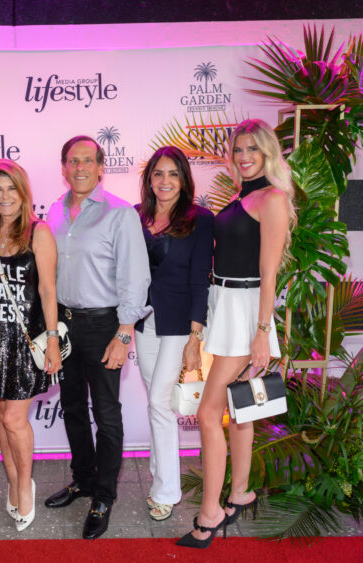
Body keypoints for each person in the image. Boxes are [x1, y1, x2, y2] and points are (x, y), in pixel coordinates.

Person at [177, 119, 297, 548]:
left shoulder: (273, 198)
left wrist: (262, 332)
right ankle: (240, 492)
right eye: (239, 150)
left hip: (248, 311)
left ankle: (210, 514)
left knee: (210, 413)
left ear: (267, 153)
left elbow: (269, 273)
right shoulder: (240, 196)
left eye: (253, 150)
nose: (244, 157)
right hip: (224, 303)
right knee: (239, 408)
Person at [43, 135, 150, 540]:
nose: (80, 167)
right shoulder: (54, 211)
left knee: (106, 413)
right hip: (64, 326)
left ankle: (104, 496)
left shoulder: (120, 215)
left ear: (101, 166)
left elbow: (135, 278)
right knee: (71, 407)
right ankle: (82, 481)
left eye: (88, 160)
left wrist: (124, 333)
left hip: (105, 325)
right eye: (73, 160)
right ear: (64, 166)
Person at [0, 159, 63, 532]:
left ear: (24, 193)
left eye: (12, 188)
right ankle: (13, 481)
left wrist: (55, 341)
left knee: (15, 418)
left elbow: (47, 289)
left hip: (26, 339)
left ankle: (25, 487)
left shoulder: (38, 232)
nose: (5, 196)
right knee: (1, 413)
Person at [133, 146, 213, 522]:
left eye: (173, 174)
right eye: (158, 174)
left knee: (160, 405)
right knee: (155, 400)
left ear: (184, 180)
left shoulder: (200, 219)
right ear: (149, 179)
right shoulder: (135, 217)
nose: (165, 181)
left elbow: (201, 280)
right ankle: (158, 470)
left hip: (180, 325)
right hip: (144, 322)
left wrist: (196, 337)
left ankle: (167, 490)